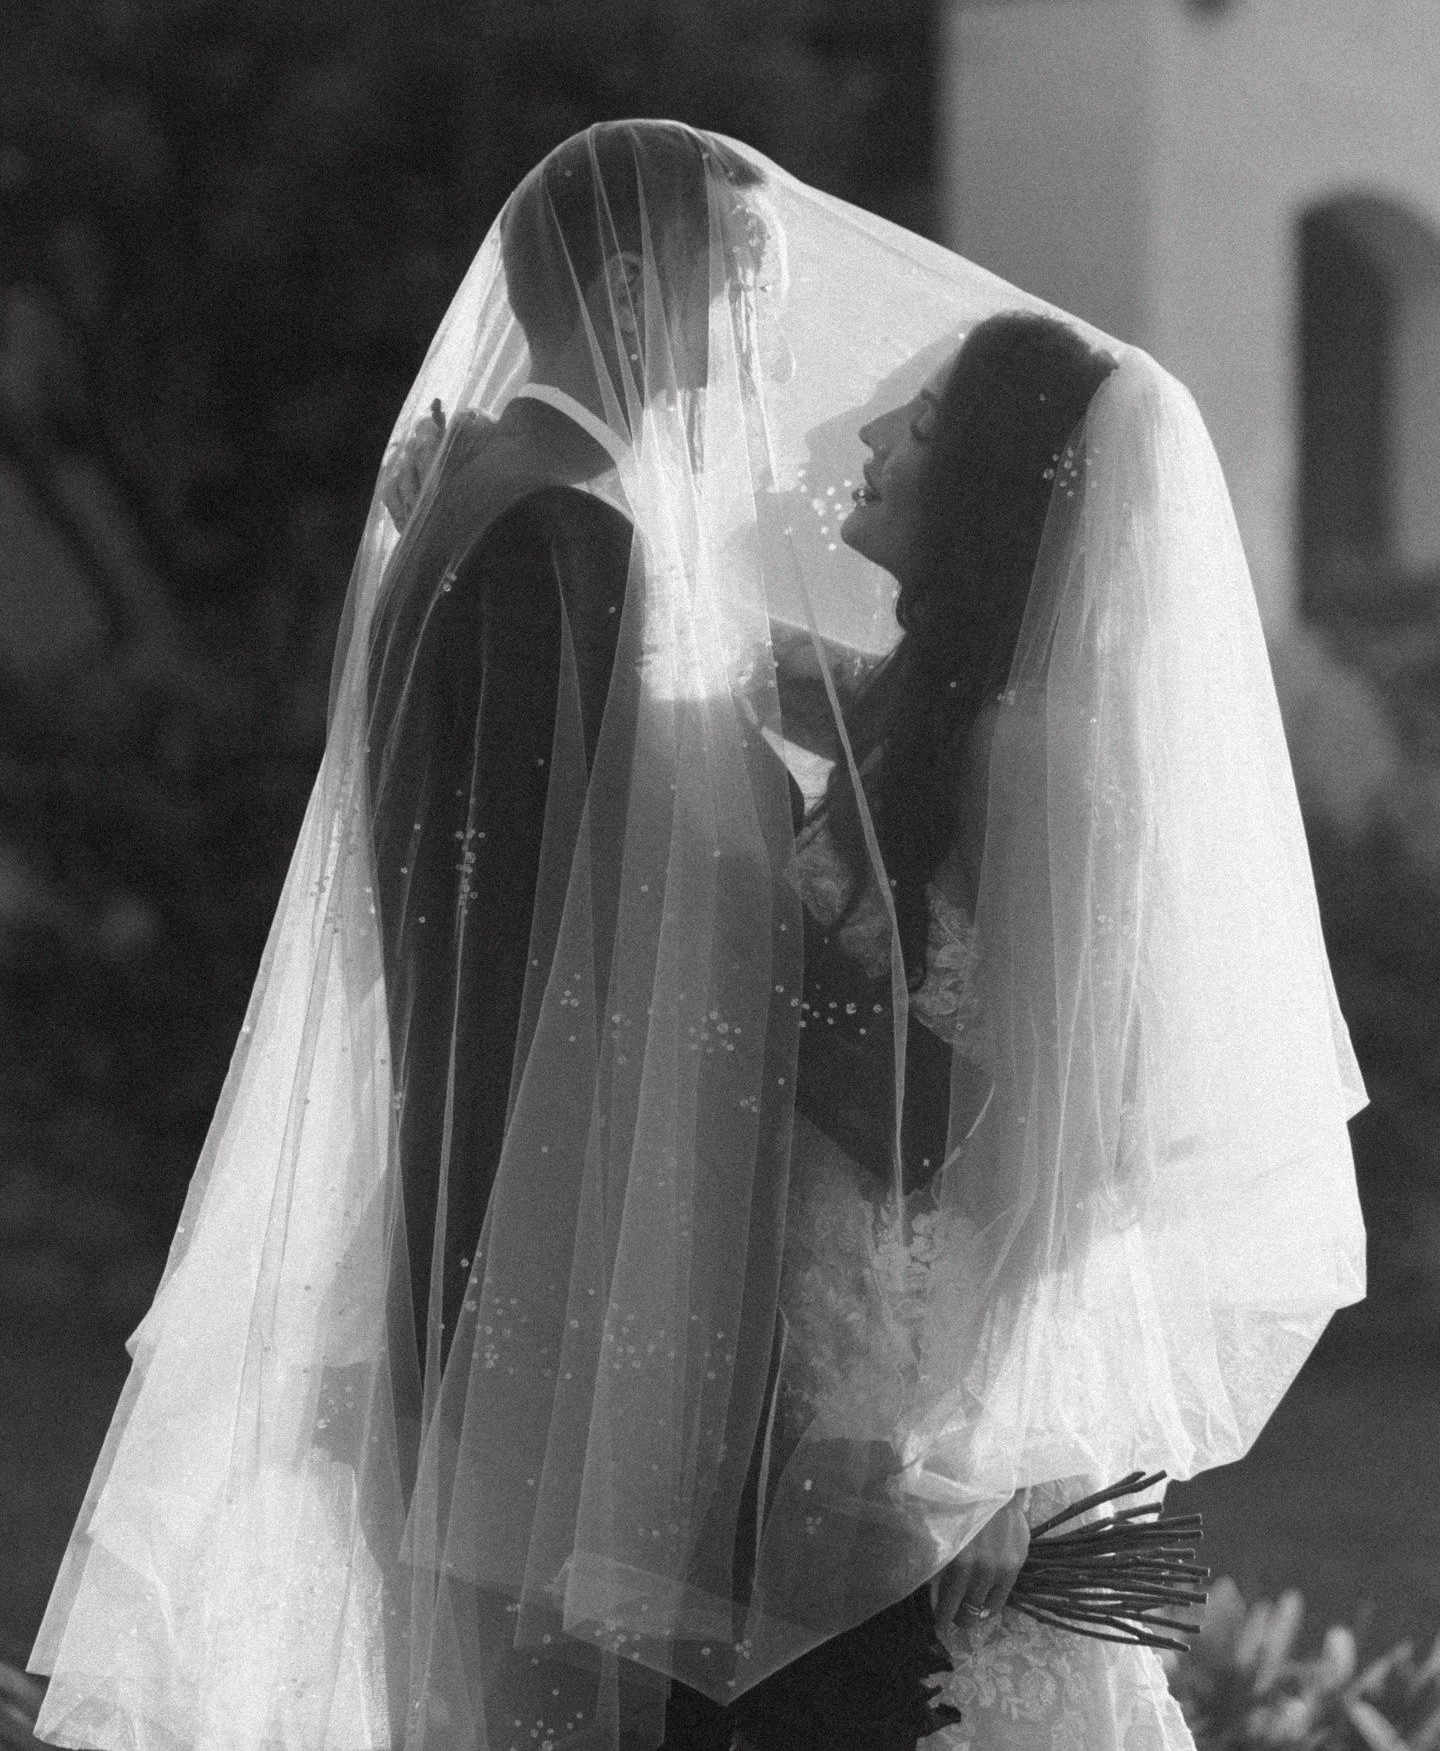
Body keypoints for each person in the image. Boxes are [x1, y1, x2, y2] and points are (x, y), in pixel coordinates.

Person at [29, 125, 1367, 1751]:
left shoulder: (593, 551)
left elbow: (985, 1075)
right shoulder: (562, 542)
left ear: (1000, 492)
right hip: (580, 1300)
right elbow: (580, 916)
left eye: (921, 420)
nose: (824, 394)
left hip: (841, 1341)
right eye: (748, 287)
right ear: (642, 287)